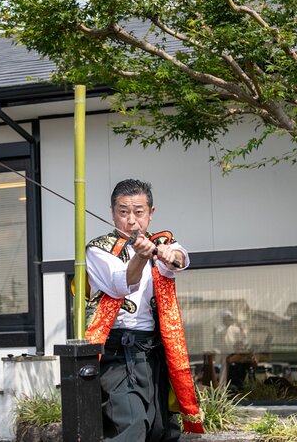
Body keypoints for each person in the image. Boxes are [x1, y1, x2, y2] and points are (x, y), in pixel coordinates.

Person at [85, 179, 204, 441]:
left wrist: (168, 255)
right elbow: (120, 284)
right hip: (117, 353)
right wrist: (140, 256)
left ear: (151, 213)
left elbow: (180, 258)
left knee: (162, 429)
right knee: (132, 424)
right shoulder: (98, 249)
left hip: (155, 352)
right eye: (123, 212)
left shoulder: (163, 242)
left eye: (138, 212)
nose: (131, 220)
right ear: (112, 212)